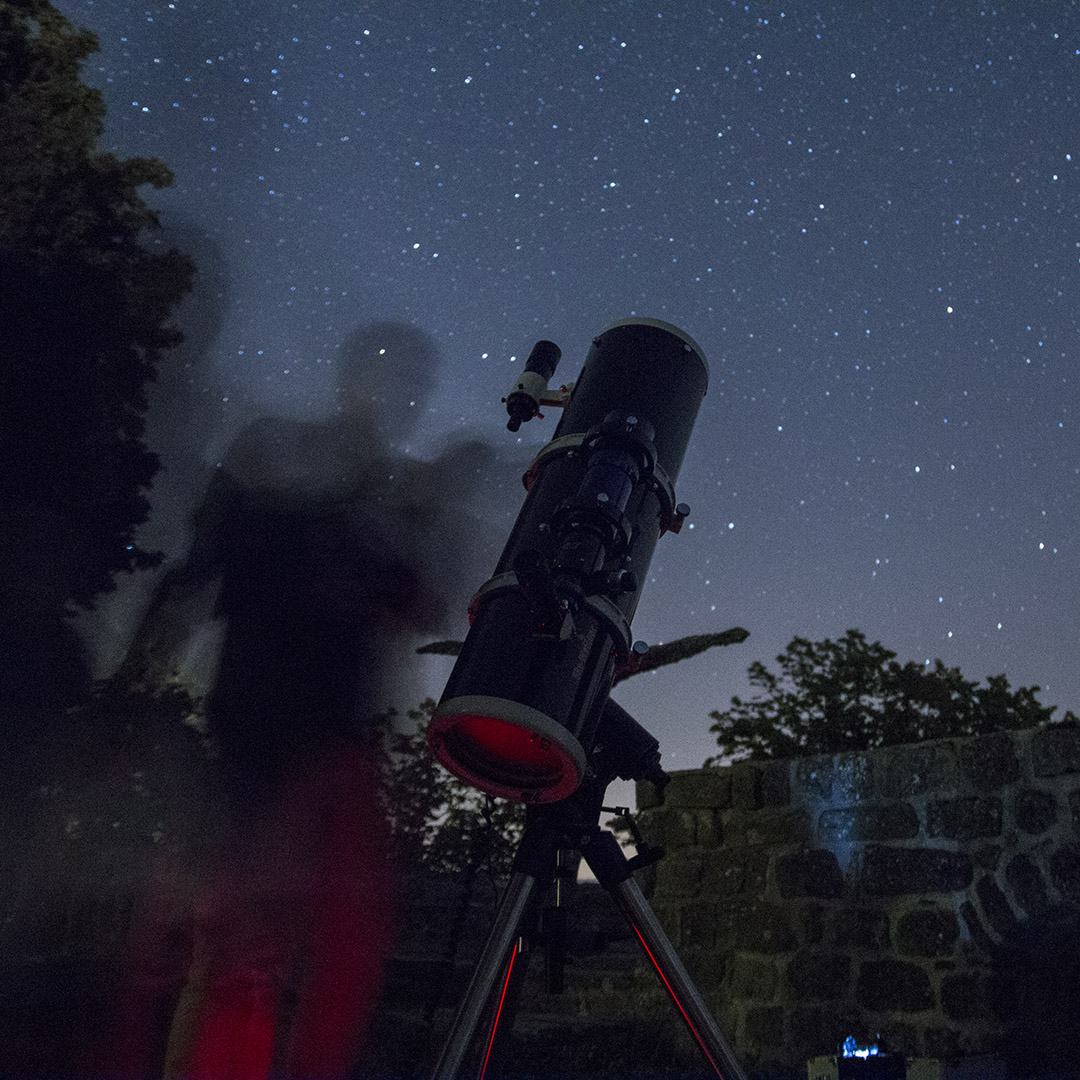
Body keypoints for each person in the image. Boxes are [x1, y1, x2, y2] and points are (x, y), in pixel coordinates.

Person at [111, 321, 491, 1079]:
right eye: (390, 378)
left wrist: (434, 518)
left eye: (410, 384)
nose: (401, 397)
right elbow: (197, 571)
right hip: (259, 739)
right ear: (355, 381)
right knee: (244, 953)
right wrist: (133, 689)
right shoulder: (276, 452)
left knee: (346, 953)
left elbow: (419, 605)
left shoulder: (380, 496)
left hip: (335, 746)